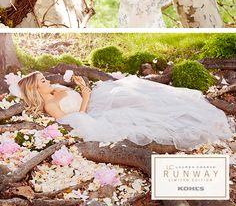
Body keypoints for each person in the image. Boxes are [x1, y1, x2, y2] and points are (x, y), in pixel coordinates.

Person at [17, 71, 233, 151]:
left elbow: (77, 93)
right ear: (35, 89)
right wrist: (85, 97)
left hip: (96, 100)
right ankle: (194, 126)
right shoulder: (50, 106)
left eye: (44, 78)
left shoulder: (56, 89)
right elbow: (74, 120)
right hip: (92, 114)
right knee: (141, 116)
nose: (47, 81)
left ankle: (189, 111)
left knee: (139, 96)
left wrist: (82, 85)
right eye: (42, 81)